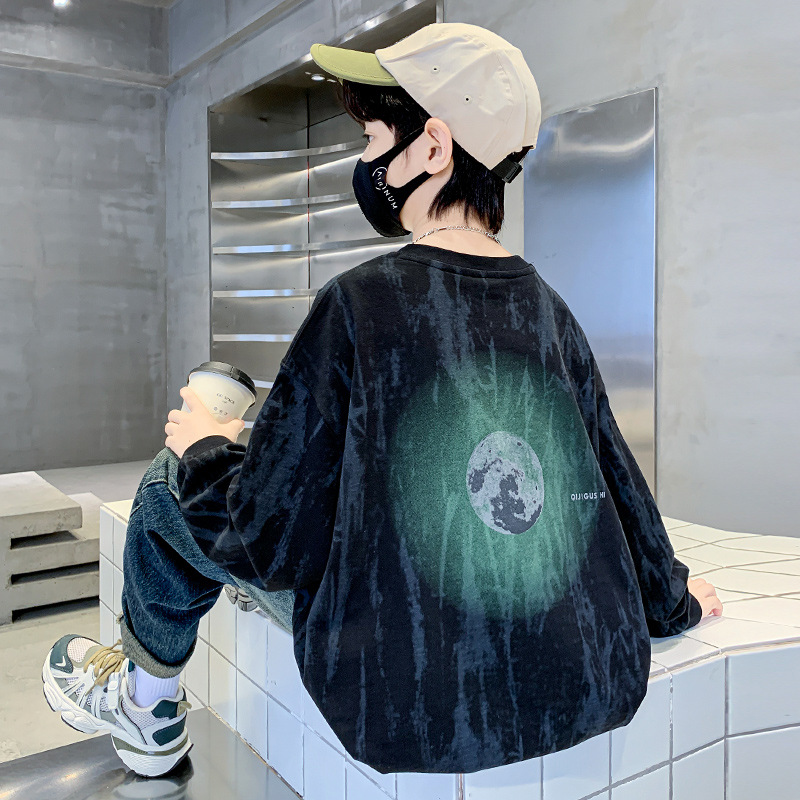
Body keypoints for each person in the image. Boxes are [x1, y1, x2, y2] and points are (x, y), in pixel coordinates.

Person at [42, 21, 723, 779]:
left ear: (432, 147)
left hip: (403, 698)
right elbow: (618, 484)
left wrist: (203, 447)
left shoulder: (357, 303)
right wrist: (673, 599)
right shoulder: (549, 309)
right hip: (585, 682)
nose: (366, 162)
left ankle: (144, 706)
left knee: (170, 486)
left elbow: (266, 538)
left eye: (371, 139)